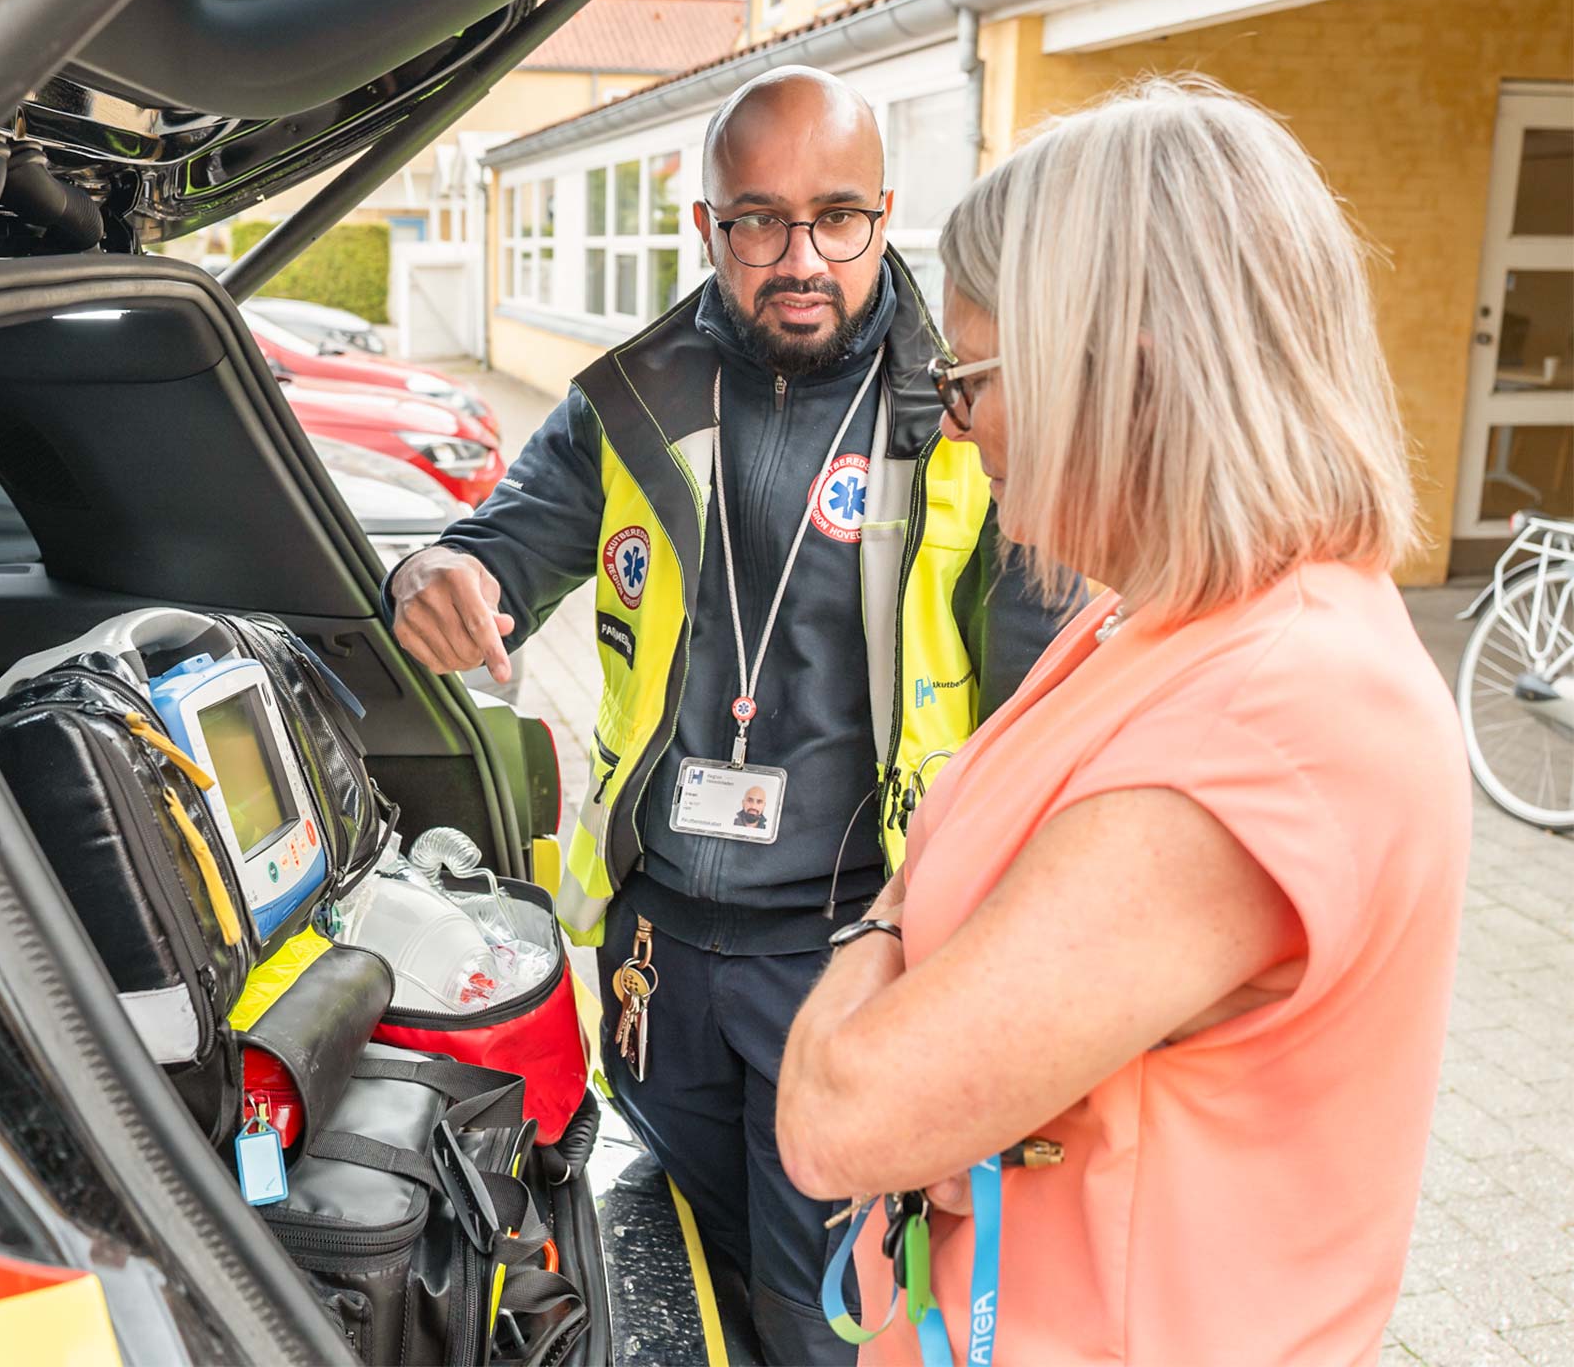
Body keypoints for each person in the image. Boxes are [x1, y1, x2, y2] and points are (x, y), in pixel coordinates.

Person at [775, 77, 1470, 1367]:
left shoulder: (1281, 715)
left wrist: (881, 935)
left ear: (1126, 369)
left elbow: (839, 1116)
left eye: (972, 374)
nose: (954, 417)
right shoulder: (1155, 616)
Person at [386, 66, 1069, 1361]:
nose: (799, 257)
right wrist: (437, 575)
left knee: (828, 1318)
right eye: (759, 220)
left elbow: (1048, 718)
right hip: (661, 965)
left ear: (884, 212)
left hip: (859, 956)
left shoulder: (967, 414)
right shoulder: (630, 399)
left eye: (837, 218)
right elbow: (496, 554)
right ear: (708, 227)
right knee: (694, 1270)